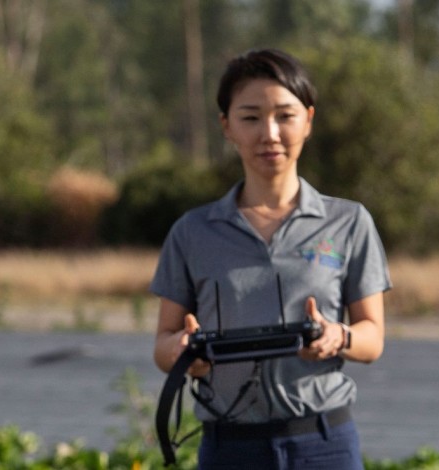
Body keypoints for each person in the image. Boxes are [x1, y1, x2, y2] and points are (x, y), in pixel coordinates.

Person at [150, 48, 390, 470]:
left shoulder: (348, 222)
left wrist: (339, 337)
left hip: (324, 444)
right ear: (226, 127)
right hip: (229, 448)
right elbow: (164, 346)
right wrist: (186, 349)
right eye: (250, 117)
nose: (270, 133)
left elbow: (372, 338)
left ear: (309, 120)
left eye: (284, 115)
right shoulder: (193, 231)